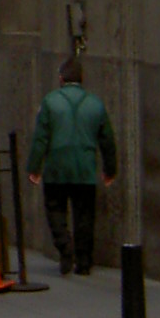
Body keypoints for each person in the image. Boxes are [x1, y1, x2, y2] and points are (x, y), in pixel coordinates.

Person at [27, 57, 118, 277]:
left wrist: (34, 167)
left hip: (56, 167)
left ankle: (65, 246)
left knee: (55, 210)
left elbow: (41, 138)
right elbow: (107, 140)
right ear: (82, 78)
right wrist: (110, 169)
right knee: (84, 215)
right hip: (85, 168)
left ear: (61, 78)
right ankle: (84, 261)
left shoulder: (50, 102)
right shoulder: (95, 104)